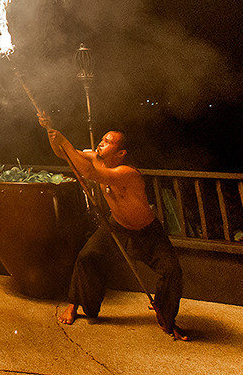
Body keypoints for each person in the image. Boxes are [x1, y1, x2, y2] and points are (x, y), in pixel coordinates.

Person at [38, 113, 187, 341]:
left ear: (121, 153)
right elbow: (63, 154)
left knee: (171, 272)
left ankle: (166, 317)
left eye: (108, 142)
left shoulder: (128, 173)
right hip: (116, 226)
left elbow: (91, 173)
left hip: (147, 231)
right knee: (87, 256)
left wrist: (64, 140)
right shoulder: (95, 157)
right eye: (102, 139)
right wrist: (51, 132)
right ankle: (74, 305)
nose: (101, 143)